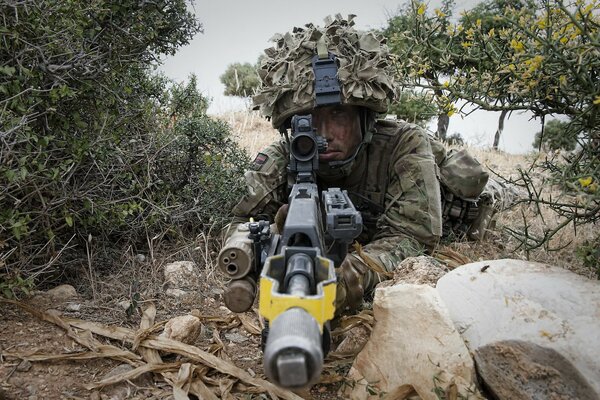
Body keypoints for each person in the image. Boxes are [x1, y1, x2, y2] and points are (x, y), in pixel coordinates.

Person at [223, 15, 497, 314]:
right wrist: (256, 246)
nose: (323, 133)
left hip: (459, 207)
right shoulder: (284, 155)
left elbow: (412, 239)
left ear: (364, 118)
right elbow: (238, 221)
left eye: (338, 114)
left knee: (481, 185)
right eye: (309, 119)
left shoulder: (402, 145)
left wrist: (348, 277)